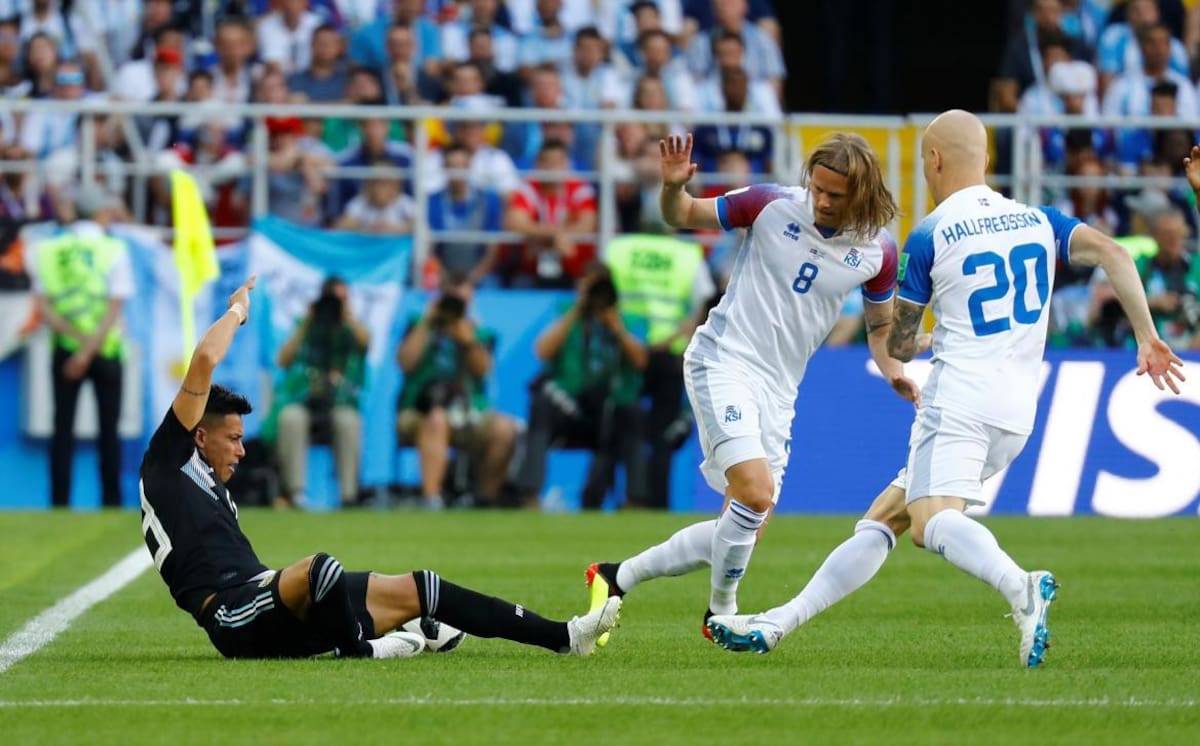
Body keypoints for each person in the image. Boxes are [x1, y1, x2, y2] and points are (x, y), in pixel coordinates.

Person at [704, 110, 1186, 667]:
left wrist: (916, 337)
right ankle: (777, 624)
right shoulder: (1038, 218)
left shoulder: (931, 233)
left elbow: (900, 343)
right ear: (985, 159)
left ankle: (1019, 584)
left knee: (929, 521)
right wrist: (1146, 337)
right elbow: (1115, 253)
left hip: (959, 402)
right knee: (885, 519)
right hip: (1018, 410)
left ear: (933, 161)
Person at [139, 275, 621, 661]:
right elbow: (205, 358)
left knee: (422, 586)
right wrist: (238, 311)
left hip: (267, 598)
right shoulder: (170, 456)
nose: (242, 452)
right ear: (199, 434)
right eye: (234, 439)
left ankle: (564, 636)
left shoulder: (212, 485)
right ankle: (362, 647)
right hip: (231, 614)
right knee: (321, 569)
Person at [584, 131, 921, 642]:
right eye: (819, 189)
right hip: (724, 360)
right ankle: (721, 613)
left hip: (780, 390)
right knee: (755, 493)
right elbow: (683, 215)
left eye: (836, 194)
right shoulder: (770, 204)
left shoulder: (878, 251)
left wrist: (893, 368)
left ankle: (615, 577)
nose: (823, 201)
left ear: (863, 192)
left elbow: (879, 327)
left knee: (744, 525)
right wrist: (674, 189)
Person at [514, 264, 650, 509]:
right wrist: (578, 309)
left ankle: (635, 501)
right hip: (570, 406)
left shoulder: (628, 320)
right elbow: (542, 351)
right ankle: (529, 493)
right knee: (542, 404)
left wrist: (616, 327)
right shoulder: (566, 314)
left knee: (634, 413)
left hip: (611, 407)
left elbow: (641, 361)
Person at [29, 185, 132, 508]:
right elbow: (115, 306)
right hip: (106, 349)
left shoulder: (46, 250)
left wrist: (77, 348)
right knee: (108, 431)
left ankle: (59, 503)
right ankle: (111, 501)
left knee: (62, 429)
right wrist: (91, 349)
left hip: (65, 349)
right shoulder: (114, 249)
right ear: (101, 213)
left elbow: (44, 307)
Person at [395, 282, 518, 509]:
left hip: (469, 409)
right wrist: (427, 321)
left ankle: (485, 500)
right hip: (419, 410)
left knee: (505, 429)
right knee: (437, 420)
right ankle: (431, 499)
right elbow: (404, 362)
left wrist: (468, 340)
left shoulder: (480, 333)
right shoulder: (419, 325)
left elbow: (483, 370)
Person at [263, 277, 368, 509]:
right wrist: (308, 320)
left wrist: (347, 316)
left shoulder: (351, 330)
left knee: (349, 421)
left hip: (339, 401)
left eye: (341, 299)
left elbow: (365, 344)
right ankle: (296, 494)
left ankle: (349, 497)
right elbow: (283, 359)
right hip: (305, 399)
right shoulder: (305, 325)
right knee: (291, 418)